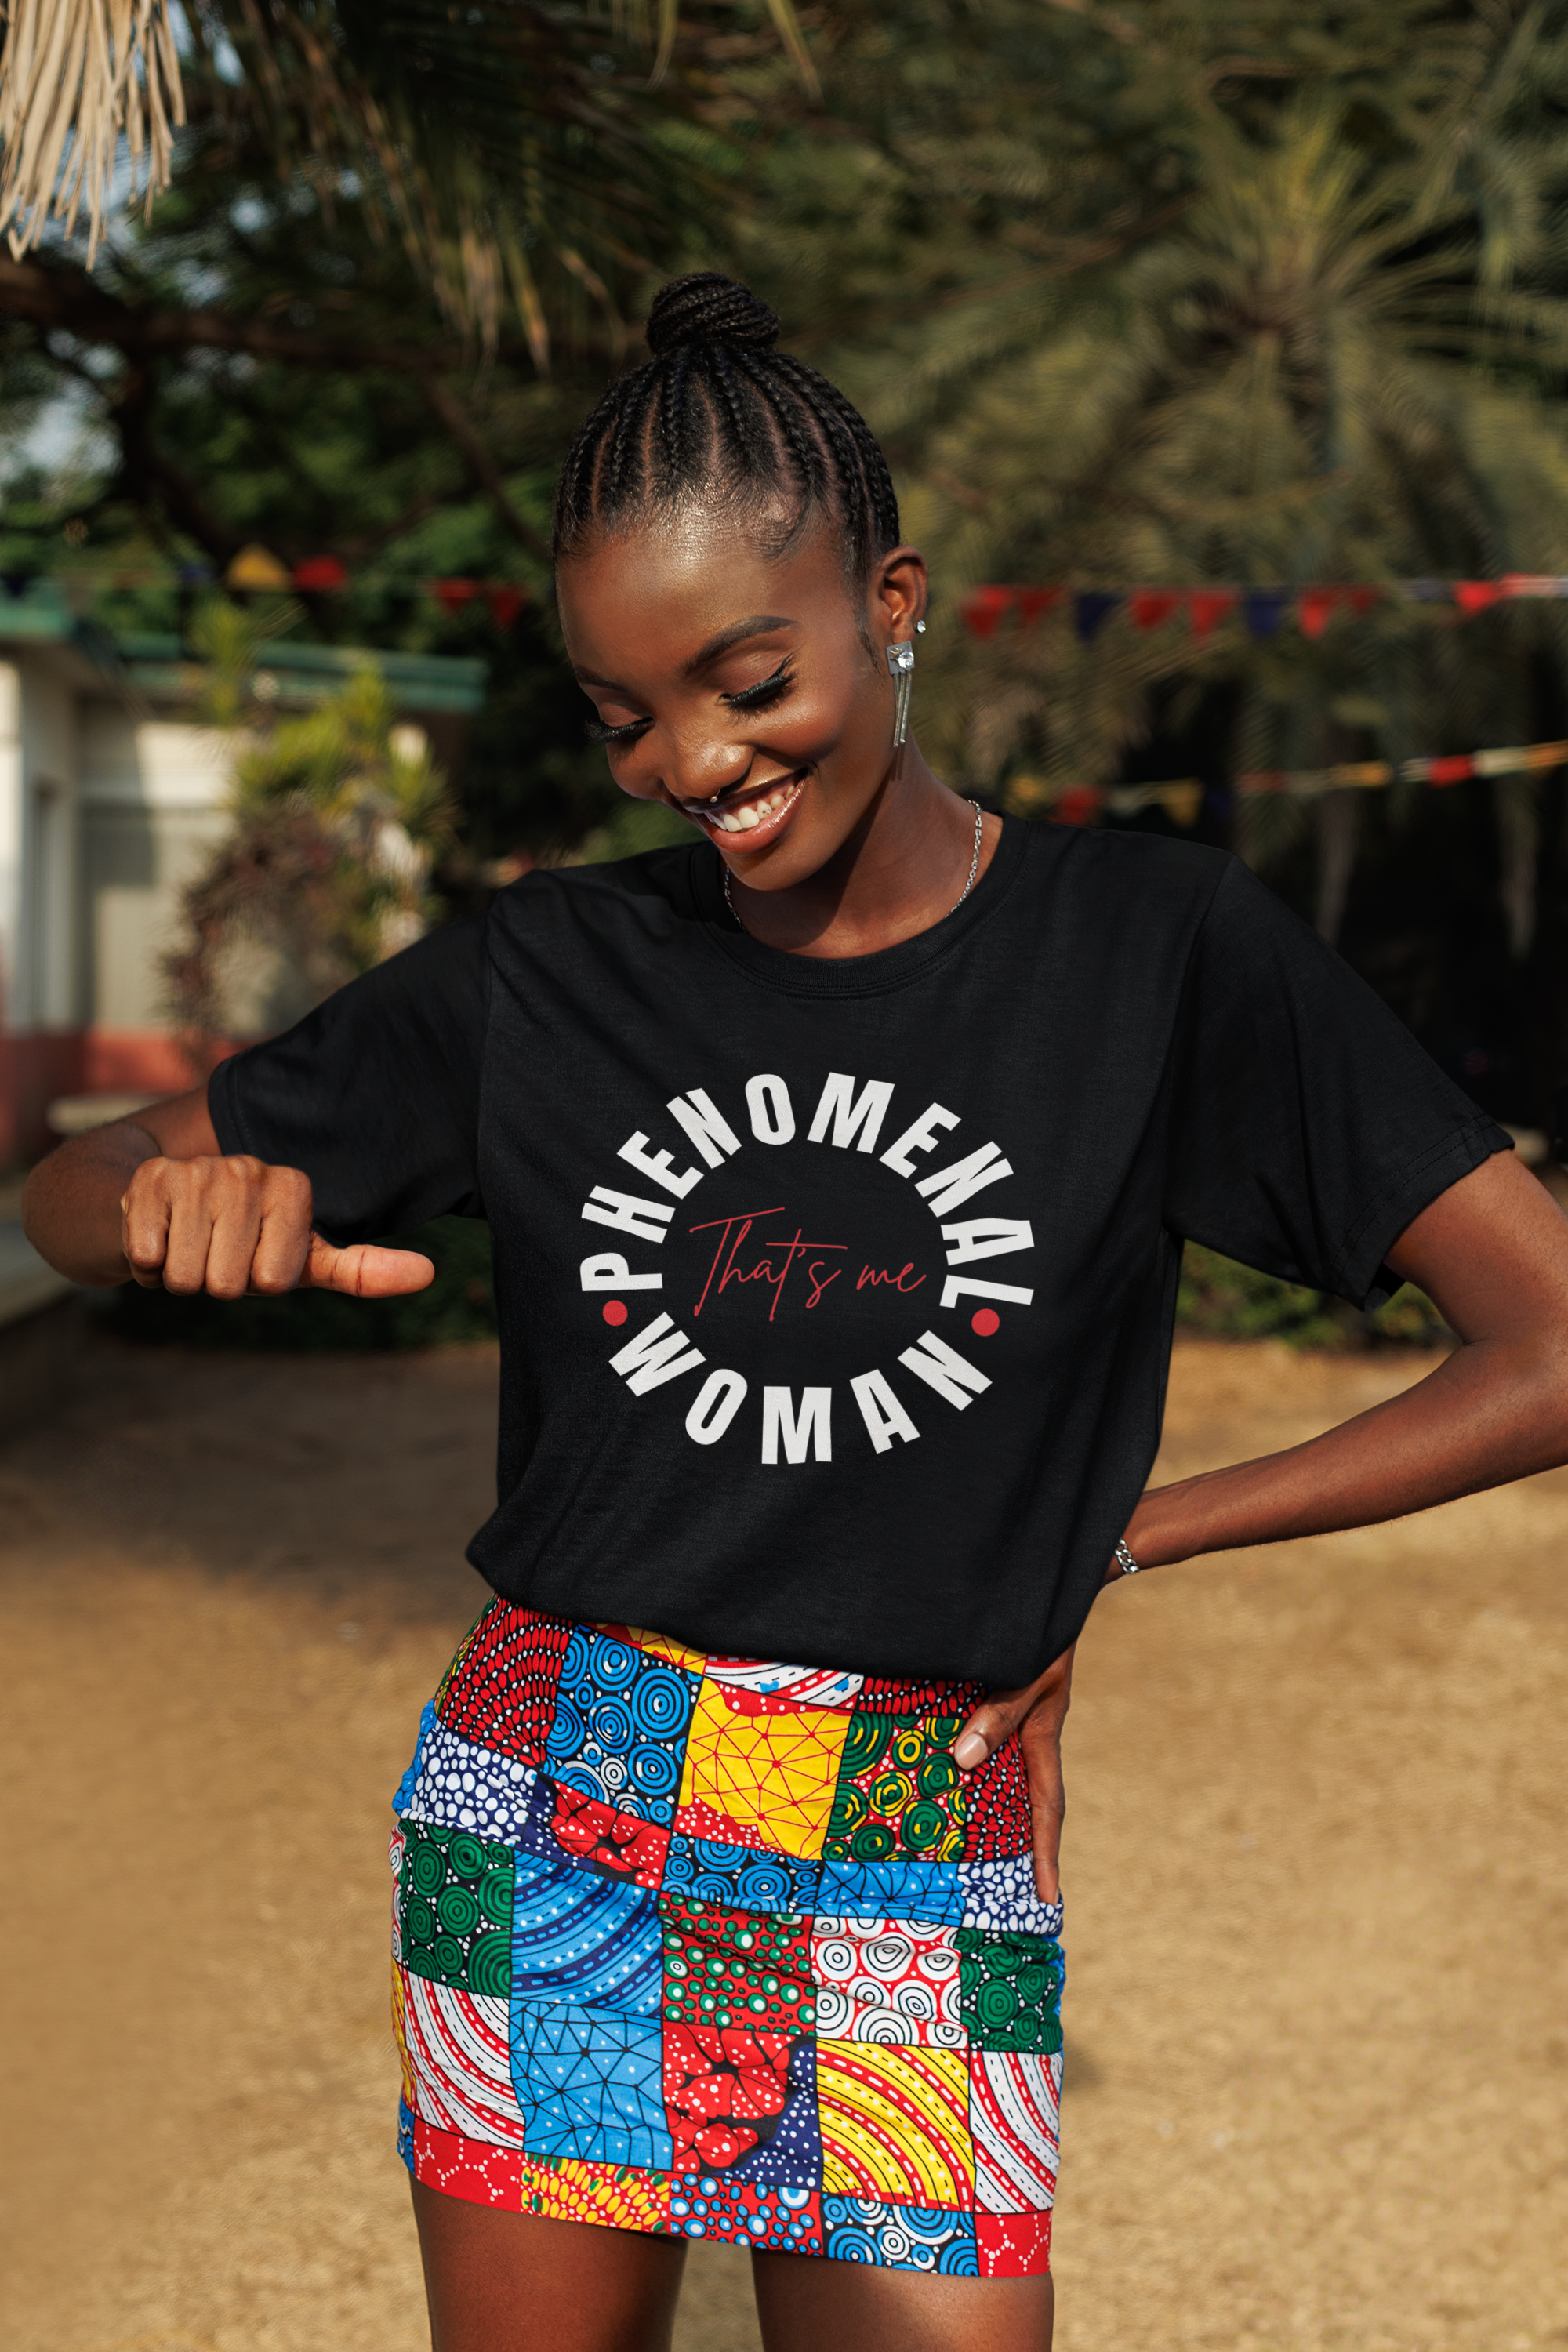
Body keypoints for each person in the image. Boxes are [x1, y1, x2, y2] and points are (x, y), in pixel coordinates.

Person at [25, 271, 1568, 2352]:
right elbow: (71, 1187)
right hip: (563, 1804)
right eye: (625, 711)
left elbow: (1545, 1338)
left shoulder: (1153, 954)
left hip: (921, 1831)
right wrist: (160, 1213)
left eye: (748, 677)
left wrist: (1130, 1532)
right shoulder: (556, 974)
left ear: (891, 599)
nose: (695, 760)